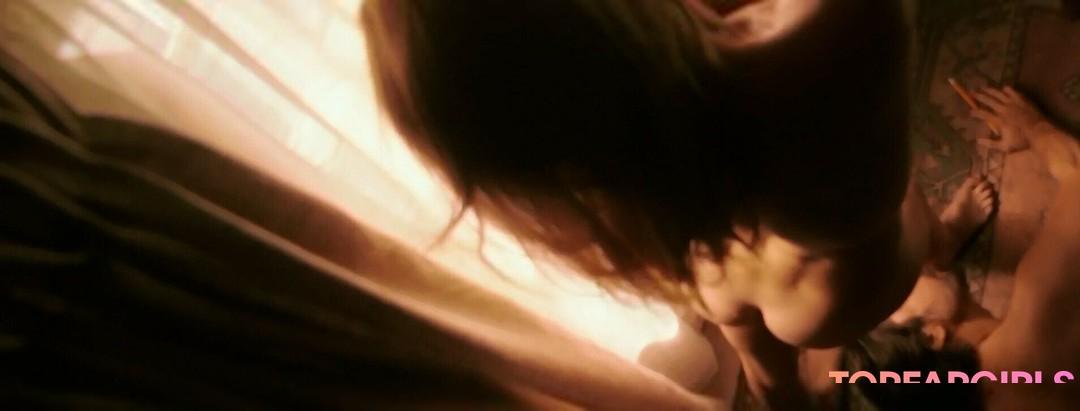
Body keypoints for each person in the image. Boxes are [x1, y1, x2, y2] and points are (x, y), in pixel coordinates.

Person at [360, 0, 989, 407]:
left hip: (716, 271)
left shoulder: (622, 172)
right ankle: (943, 241)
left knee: (768, 374)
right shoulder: (828, 41)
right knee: (906, 229)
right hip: (829, 274)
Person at [828, 86, 1080, 410]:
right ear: (932, 336)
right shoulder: (1036, 319)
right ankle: (940, 239)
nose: (905, 276)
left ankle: (943, 241)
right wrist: (1033, 127)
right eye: (898, 295)